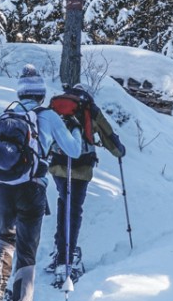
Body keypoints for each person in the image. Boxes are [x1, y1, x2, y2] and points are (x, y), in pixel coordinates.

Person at [0, 64, 84, 301]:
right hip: (31, 188)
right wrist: (76, 129)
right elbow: (73, 150)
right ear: (41, 95)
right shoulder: (49, 117)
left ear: (20, 93)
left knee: (5, 237)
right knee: (27, 249)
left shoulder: (6, 115)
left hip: (1, 189)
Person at [45, 83, 125, 284]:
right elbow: (107, 133)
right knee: (73, 209)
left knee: (64, 202)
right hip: (81, 167)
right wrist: (119, 151)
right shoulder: (88, 107)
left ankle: (60, 251)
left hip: (57, 165)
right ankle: (66, 259)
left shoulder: (56, 105)